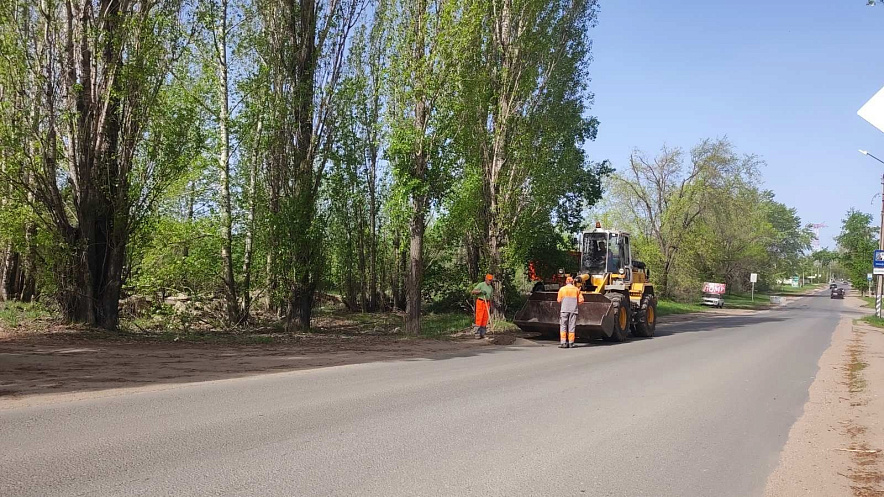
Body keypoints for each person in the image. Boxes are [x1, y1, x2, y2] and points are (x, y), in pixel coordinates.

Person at [557, 276, 584, 348]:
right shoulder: (576, 290)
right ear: (573, 282)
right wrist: (574, 303)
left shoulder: (562, 289)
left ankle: (563, 343)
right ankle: (571, 343)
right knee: (571, 326)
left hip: (564, 310)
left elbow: (559, 300)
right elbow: (581, 300)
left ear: (566, 282)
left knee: (563, 325)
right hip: (573, 310)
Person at [470, 274, 494, 339]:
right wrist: (480, 291)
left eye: (491, 280)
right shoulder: (481, 284)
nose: (490, 281)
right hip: (481, 302)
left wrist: (491, 307)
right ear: (486, 279)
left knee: (485, 318)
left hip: (487, 302)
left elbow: (491, 297)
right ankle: (477, 333)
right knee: (479, 318)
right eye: (489, 280)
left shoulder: (491, 287)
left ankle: (482, 334)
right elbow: (473, 291)